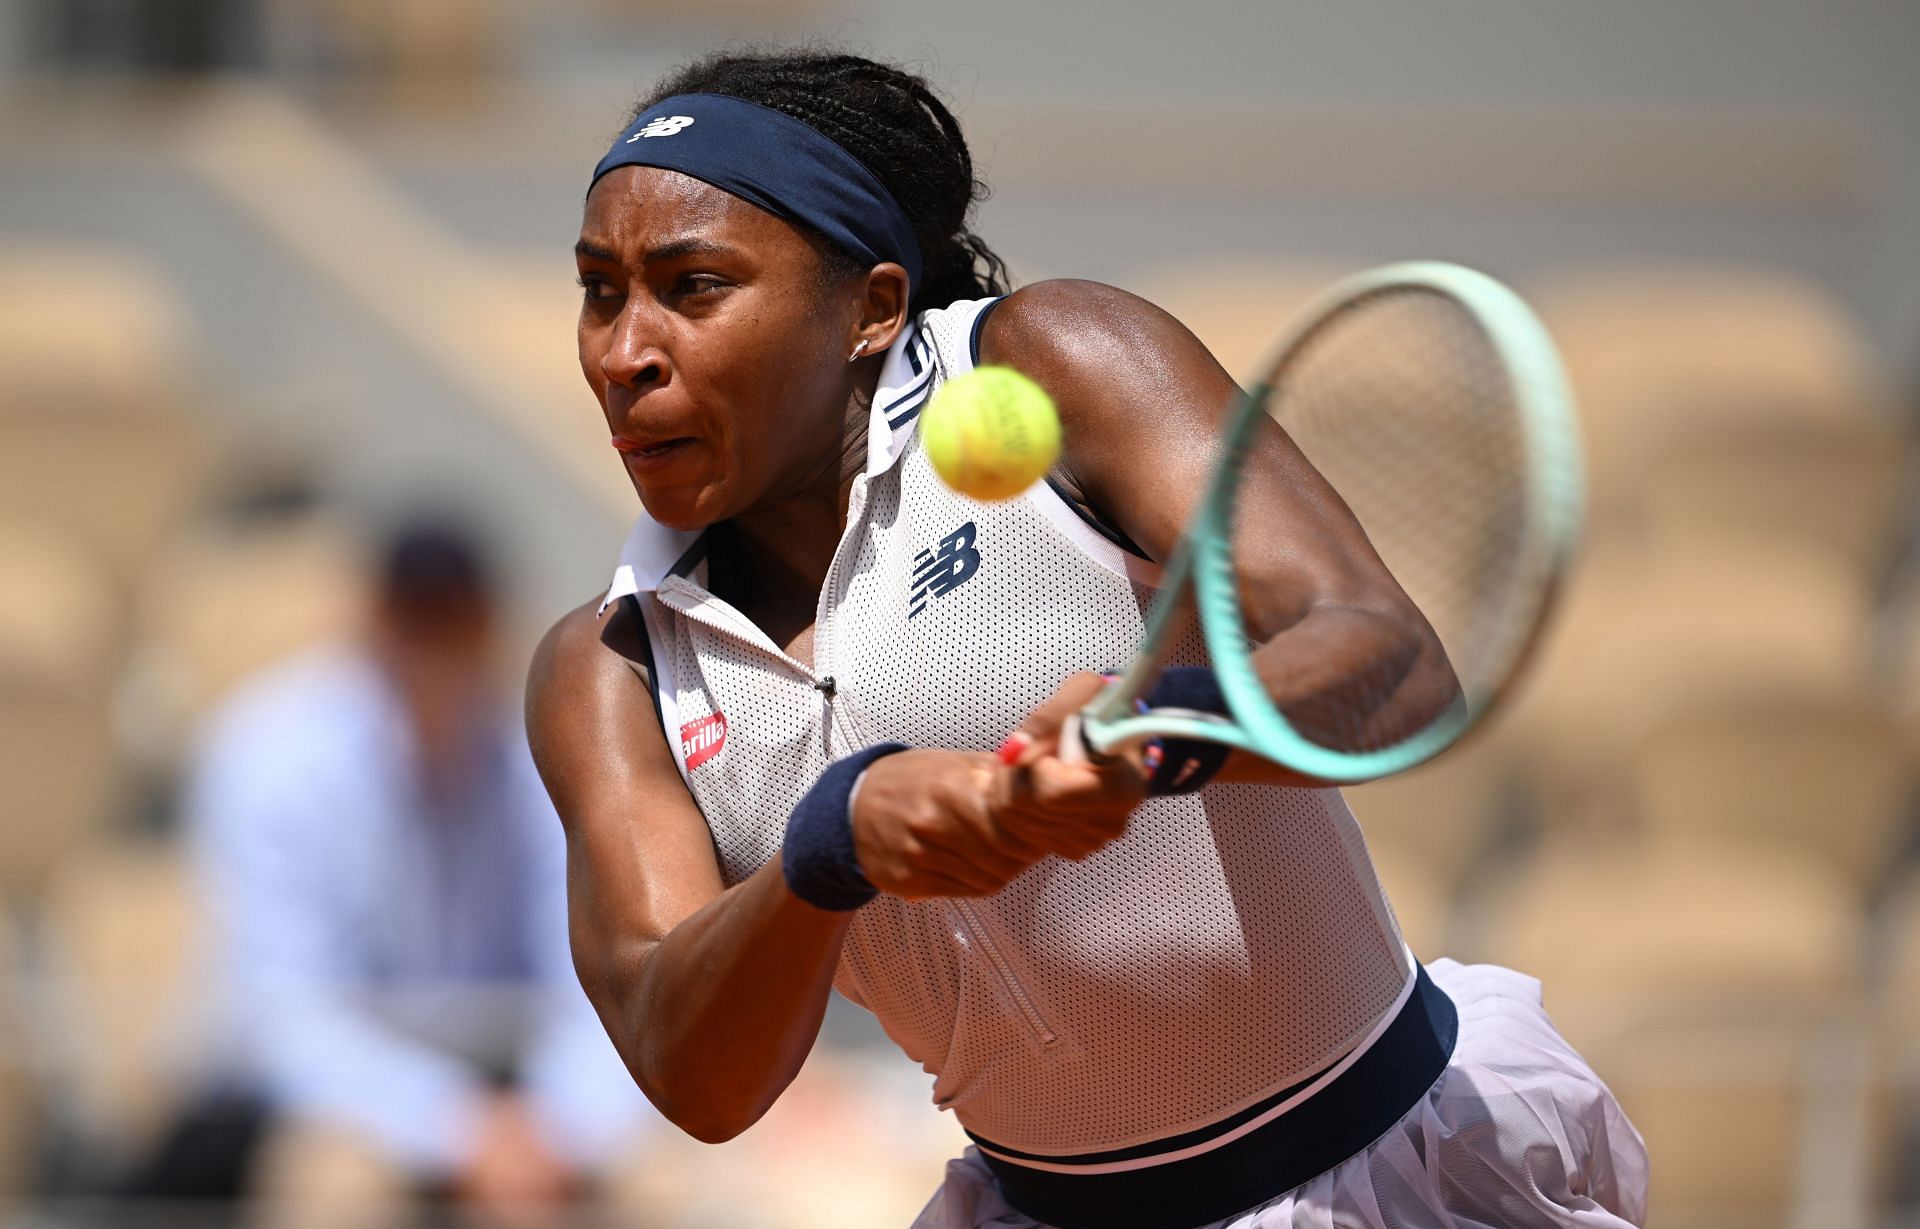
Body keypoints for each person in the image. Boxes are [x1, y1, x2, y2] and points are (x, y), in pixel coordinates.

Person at [528, 50, 1649, 1229]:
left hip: (1380, 1177)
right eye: (601, 291)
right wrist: (833, 839)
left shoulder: (1057, 354)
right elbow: (690, 1067)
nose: (622, 351)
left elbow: (1390, 659)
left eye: (692, 287)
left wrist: (1159, 733)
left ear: (872, 308)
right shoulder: (603, 671)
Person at [187, 517, 653, 1229]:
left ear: (490, 624)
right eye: (415, 619)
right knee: (337, 1189)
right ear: (373, 621)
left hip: (515, 1091)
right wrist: (458, 1130)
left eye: (455, 620)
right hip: (329, 1105)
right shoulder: (269, 751)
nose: (434, 646)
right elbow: (281, 1020)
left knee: (663, 1177)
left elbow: (595, 979)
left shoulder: (541, 751)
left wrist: (556, 1123)